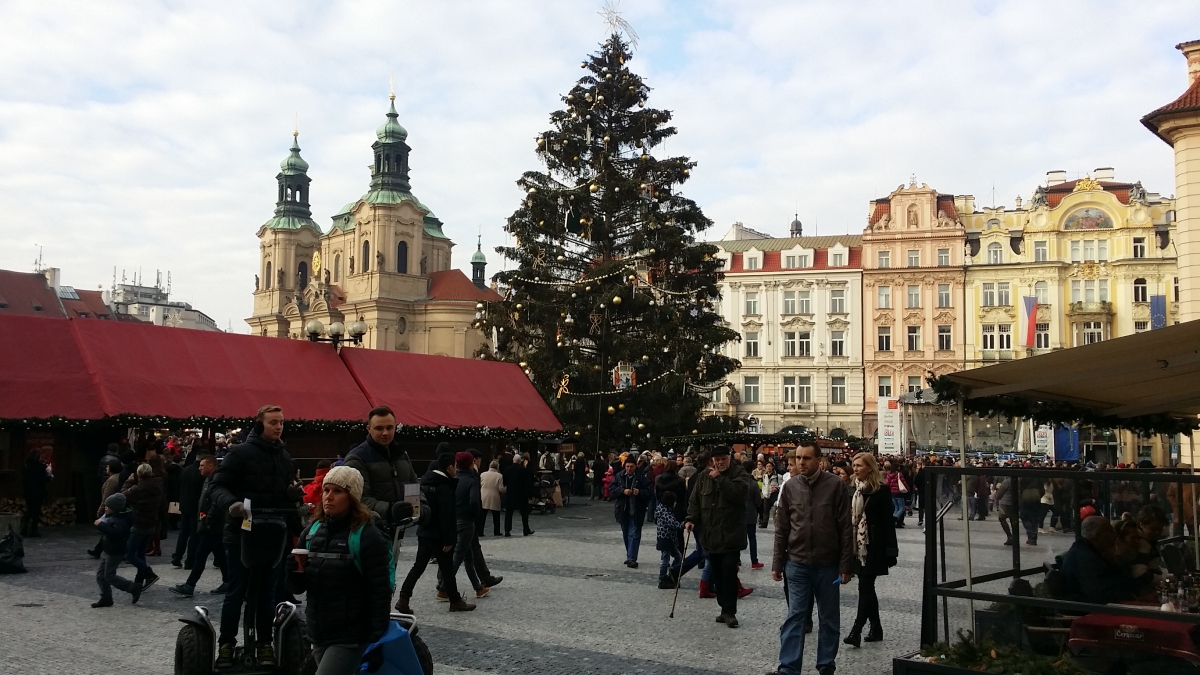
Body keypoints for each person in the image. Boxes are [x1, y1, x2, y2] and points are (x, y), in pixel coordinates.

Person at [209, 405, 304, 669]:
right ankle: (227, 644)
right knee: (236, 591)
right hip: (240, 533)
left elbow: (285, 500)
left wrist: (293, 500)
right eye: (273, 422)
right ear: (260, 424)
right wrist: (231, 504)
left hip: (273, 534)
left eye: (282, 422)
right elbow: (216, 485)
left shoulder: (285, 458)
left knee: (266, 593)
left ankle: (264, 644)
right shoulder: (239, 453)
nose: (279, 426)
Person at [287, 466, 391, 675]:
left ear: (352, 497)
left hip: (351, 635)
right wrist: (293, 571)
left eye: (337, 491)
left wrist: (377, 636)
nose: (328, 497)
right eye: (326, 490)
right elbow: (298, 588)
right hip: (319, 631)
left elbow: (380, 588)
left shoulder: (367, 535)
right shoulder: (313, 531)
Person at [768, 441, 852, 675]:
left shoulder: (835, 485)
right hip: (797, 563)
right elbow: (782, 528)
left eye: (806, 458)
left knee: (829, 618)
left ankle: (826, 665)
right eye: (797, 458)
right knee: (795, 616)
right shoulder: (791, 486)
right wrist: (777, 563)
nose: (800, 462)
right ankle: (788, 668)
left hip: (828, 565)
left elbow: (846, 527)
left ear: (819, 460)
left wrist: (846, 565)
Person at [395, 452, 476, 613]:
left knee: (419, 566)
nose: (456, 469)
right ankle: (455, 600)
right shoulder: (444, 485)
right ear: (450, 467)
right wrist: (448, 539)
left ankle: (404, 598)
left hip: (424, 531)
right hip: (439, 535)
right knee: (446, 567)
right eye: (455, 466)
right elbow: (446, 514)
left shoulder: (425, 481)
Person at [685, 445, 749, 628]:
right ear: (712, 460)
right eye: (717, 460)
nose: (720, 463)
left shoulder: (738, 473)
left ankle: (730, 612)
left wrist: (720, 479)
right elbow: (695, 500)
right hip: (711, 534)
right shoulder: (704, 476)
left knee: (729, 572)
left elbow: (739, 494)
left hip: (731, 535)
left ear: (729, 458)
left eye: (723, 459)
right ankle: (723, 608)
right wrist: (691, 518)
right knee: (717, 574)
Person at [843, 452, 897, 647]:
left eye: (859, 465)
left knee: (864, 585)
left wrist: (892, 550)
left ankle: (857, 629)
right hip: (856, 546)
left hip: (874, 546)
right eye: (854, 465)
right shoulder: (851, 489)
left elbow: (887, 522)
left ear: (870, 468)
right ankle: (876, 627)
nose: (855, 468)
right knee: (867, 588)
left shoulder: (880, 490)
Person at [343, 406, 417, 536]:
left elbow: (414, 487)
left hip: (398, 530)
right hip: (368, 531)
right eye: (379, 428)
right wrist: (389, 510)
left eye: (389, 427)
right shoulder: (357, 458)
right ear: (369, 429)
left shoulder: (401, 455)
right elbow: (358, 499)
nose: (385, 433)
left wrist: (420, 507)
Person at [1061, 516, 1154, 604]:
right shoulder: (1086, 558)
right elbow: (1103, 594)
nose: (1115, 536)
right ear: (1097, 536)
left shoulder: (1089, 551)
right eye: (1110, 532)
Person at [170, 454, 228, 596]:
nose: (199, 468)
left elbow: (215, 503)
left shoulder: (215, 480)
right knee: (220, 555)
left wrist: (208, 520)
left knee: (201, 555)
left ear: (211, 466)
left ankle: (190, 585)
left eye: (202, 465)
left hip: (212, 525)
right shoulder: (209, 479)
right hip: (211, 524)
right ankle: (228, 581)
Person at [92, 493, 142, 606]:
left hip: (116, 550)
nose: (105, 508)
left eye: (107, 506)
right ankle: (106, 598)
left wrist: (101, 526)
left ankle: (133, 587)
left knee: (109, 575)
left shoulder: (120, 520)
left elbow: (116, 534)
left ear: (114, 508)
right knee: (101, 576)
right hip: (109, 549)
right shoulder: (115, 516)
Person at [122, 462, 163, 592]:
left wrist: (128, 482)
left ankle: (149, 573)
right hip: (151, 522)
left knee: (129, 554)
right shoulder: (157, 485)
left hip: (139, 522)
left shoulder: (139, 488)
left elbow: (122, 495)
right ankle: (139, 581)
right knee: (140, 553)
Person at [611, 455, 653, 568]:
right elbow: (612, 489)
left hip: (636, 511)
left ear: (635, 466)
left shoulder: (641, 478)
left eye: (631, 466)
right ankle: (629, 554)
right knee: (626, 534)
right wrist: (622, 491)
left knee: (634, 534)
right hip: (623, 510)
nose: (629, 469)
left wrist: (639, 492)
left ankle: (632, 558)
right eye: (627, 466)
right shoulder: (619, 476)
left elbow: (649, 492)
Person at [173, 452, 206, 569]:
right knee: (194, 534)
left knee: (183, 531)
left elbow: (178, 487)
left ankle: (177, 557)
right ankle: (190, 561)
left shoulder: (185, 470)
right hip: (195, 506)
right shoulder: (201, 473)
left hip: (184, 504)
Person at [89, 458, 125, 558]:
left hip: (112, 507)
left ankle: (100, 550)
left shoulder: (112, 480)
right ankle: (98, 550)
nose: (106, 468)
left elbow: (106, 496)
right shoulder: (119, 477)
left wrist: (100, 509)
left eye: (108, 466)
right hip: (115, 506)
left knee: (109, 530)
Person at [20, 448, 52, 537]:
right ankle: (33, 530)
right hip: (38, 492)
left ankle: (24, 528)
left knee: (29, 510)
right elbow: (44, 479)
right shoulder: (40, 467)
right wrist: (49, 474)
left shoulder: (26, 465)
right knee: (36, 511)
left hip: (28, 492)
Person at [656, 491, 684, 589]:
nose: (675, 503)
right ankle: (662, 578)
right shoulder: (664, 512)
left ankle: (672, 573)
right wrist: (683, 524)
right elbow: (672, 523)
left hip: (669, 538)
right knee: (665, 559)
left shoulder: (665, 509)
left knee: (678, 557)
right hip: (665, 538)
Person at [502, 454, 535, 537]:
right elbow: (527, 483)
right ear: (520, 461)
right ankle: (526, 529)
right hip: (521, 494)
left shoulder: (507, 470)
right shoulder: (523, 470)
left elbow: (504, 482)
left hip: (510, 494)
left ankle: (507, 530)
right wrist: (529, 494)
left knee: (509, 513)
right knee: (524, 513)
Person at [480, 460, 506, 536]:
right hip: (494, 496)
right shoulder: (499, 476)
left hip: (483, 495)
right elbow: (501, 488)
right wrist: (506, 489)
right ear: (497, 467)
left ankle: (480, 531)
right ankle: (496, 531)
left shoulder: (483, 474)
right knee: (496, 516)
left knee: (482, 516)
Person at [759, 462, 782, 528]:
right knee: (765, 510)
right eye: (767, 466)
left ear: (772, 467)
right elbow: (764, 485)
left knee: (775, 510)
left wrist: (776, 488)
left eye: (769, 466)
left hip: (774, 495)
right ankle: (764, 523)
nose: (768, 468)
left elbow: (781, 485)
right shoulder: (764, 476)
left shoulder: (778, 476)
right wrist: (763, 493)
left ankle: (777, 524)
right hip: (766, 494)